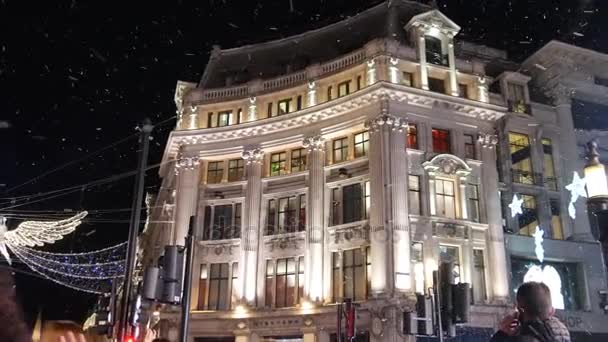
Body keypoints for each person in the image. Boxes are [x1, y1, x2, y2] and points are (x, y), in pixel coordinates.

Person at [490, 282, 570, 342]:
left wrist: (501, 334)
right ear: (552, 311)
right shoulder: (563, 336)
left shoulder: (520, 339)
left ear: (519, 310)